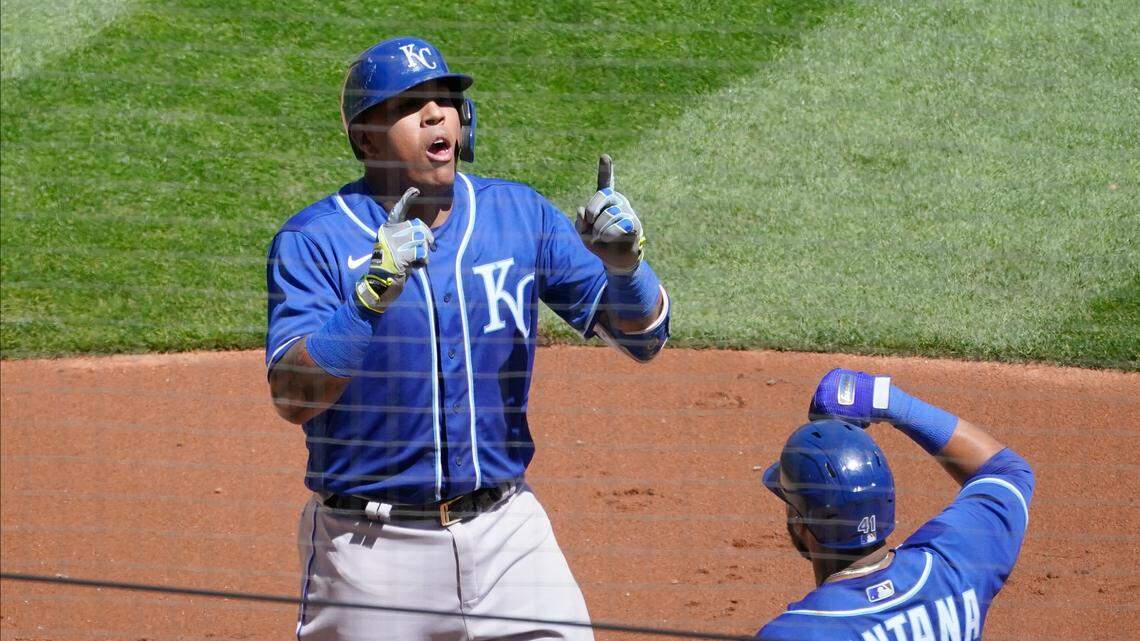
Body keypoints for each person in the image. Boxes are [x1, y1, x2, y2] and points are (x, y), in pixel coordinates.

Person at [264, 37, 669, 640]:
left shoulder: (518, 215)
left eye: (445, 100)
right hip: (370, 554)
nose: (435, 114)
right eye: (409, 105)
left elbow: (643, 340)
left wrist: (624, 266)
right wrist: (366, 302)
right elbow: (293, 397)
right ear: (365, 139)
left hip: (508, 536)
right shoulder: (315, 241)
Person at [756, 368, 1035, 640]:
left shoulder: (797, 632)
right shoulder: (958, 562)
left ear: (799, 523)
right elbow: (1005, 471)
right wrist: (887, 401)